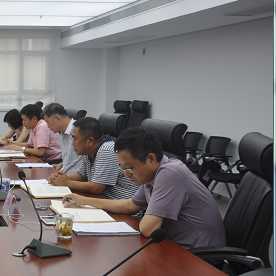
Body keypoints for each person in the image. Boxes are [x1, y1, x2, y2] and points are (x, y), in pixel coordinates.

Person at [63, 127, 226, 250]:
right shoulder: (151, 177)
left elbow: (148, 229)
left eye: (129, 167)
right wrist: (84, 201)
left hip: (200, 258)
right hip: (174, 247)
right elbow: (130, 205)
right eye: (123, 168)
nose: (126, 173)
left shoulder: (170, 174)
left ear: (151, 159)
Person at [48, 116, 136, 200]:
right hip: (101, 200)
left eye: (75, 139)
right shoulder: (89, 152)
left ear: (90, 141)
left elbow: (97, 188)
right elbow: (81, 175)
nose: (72, 143)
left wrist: (67, 183)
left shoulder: (107, 150)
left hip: (120, 204)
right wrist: (59, 178)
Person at [42, 102, 82, 174]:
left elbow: (83, 163)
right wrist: (61, 164)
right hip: (64, 174)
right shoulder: (62, 133)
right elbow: (73, 160)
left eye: (48, 122)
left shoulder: (79, 132)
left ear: (57, 118)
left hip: (73, 178)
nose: (48, 126)